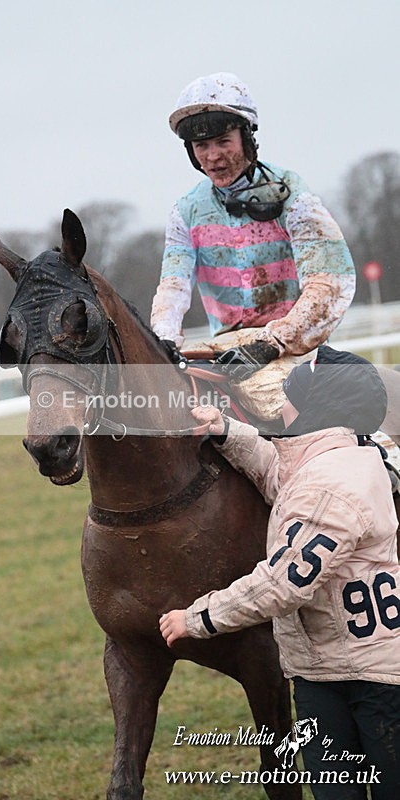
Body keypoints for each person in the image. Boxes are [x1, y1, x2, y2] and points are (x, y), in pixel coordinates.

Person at [159, 345, 400, 799]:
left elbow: (282, 585)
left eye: (291, 393)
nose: (280, 403)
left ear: (315, 407)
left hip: (367, 683)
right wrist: (227, 430)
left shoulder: (331, 487)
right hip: (330, 671)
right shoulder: (337, 457)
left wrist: (196, 618)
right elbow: (283, 474)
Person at [150, 72, 356, 421]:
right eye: (201, 146)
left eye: (222, 141)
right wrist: (163, 341)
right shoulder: (185, 211)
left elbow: (330, 283)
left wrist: (272, 342)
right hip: (224, 349)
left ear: (246, 137)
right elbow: (173, 286)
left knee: (278, 409)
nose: (213, 156)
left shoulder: (292, 194)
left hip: (293, 350)